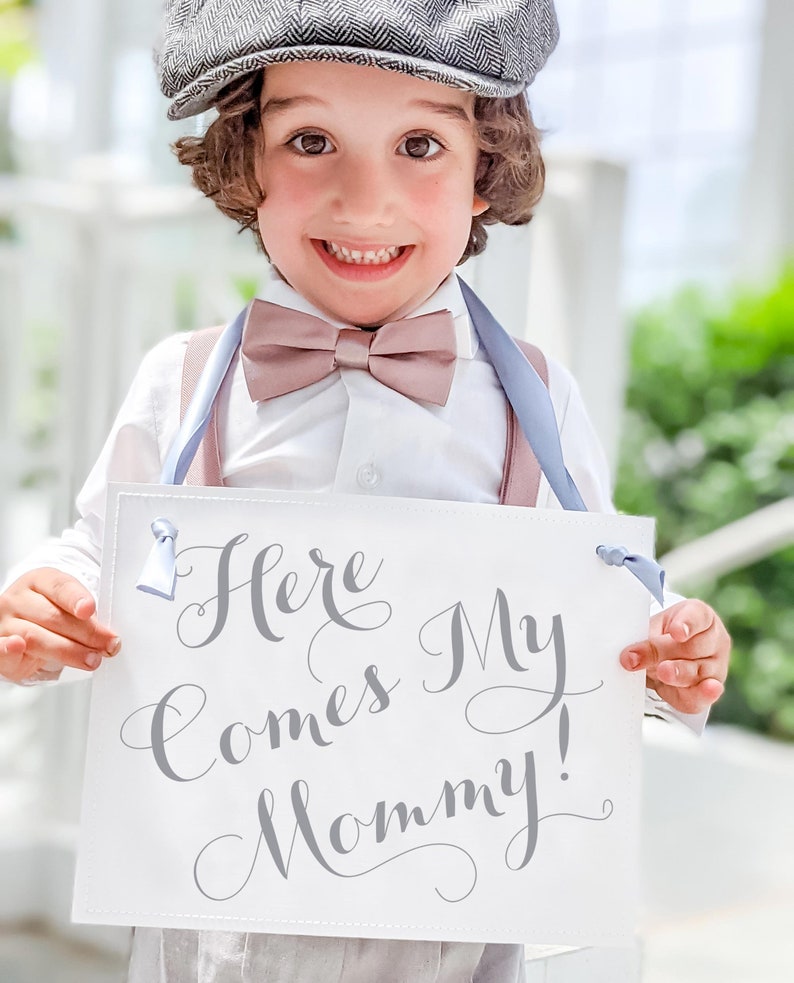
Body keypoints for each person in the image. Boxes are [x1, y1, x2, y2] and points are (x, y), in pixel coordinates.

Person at [0, 1, 730, 980]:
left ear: (485, 171)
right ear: (247, 162)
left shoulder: (536, 398)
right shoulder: (179, 382)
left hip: (452, 918)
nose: (363, 197)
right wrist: (48, 594)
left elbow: (602, 586)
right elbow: (106, 549)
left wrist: (668, 645)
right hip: (223, 916)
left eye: (419, 143)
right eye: (311, 140)